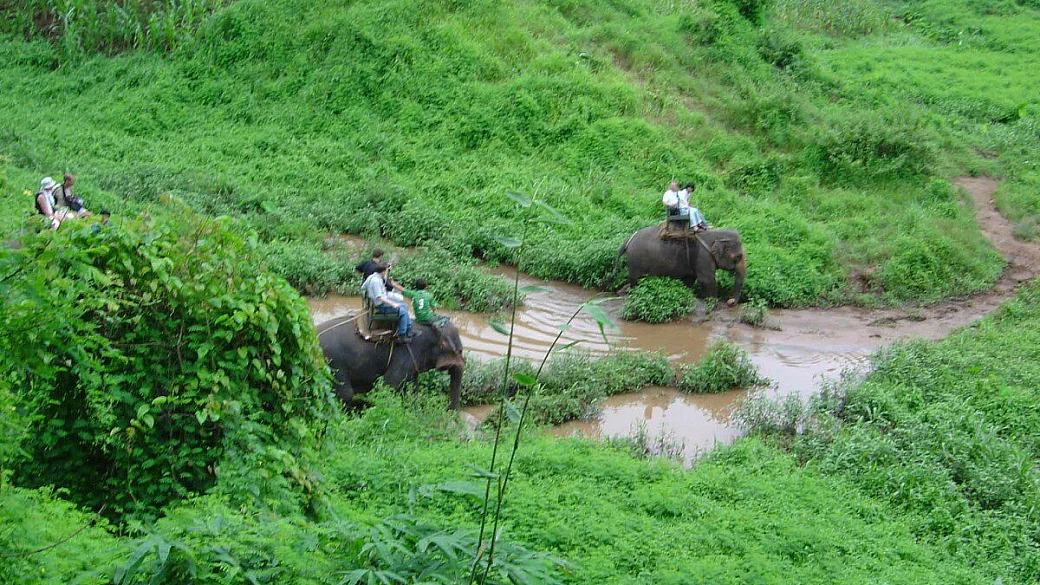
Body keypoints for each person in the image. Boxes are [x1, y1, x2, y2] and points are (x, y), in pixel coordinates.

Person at [363, 264, 418, 342]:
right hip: (381, 305)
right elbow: (380, 297)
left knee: (403, 305)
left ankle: (409, 329)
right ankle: (401, 335)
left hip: (378, 302)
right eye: (386, 271)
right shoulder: (376, 281)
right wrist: (393, 304)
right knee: (402, 312)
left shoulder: (372, 277)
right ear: (382, 272)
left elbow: (363, 287)